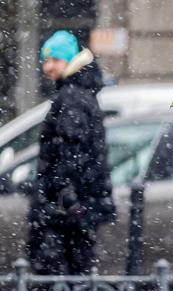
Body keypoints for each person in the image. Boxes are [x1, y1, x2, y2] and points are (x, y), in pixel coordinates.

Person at [28, 30, 115, 277]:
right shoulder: (80, 93)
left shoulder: (71, 98)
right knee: (78, 272)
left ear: (69, 60)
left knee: (62, 276)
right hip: (79, 205)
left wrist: (62, 199)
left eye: (54, 60)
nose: (47, 67)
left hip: (67, 209)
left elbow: (70, 153)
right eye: (45, 60)